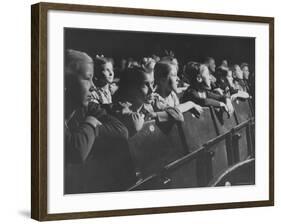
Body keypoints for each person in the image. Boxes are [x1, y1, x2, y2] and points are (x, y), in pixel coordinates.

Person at [64, 49, 136, 193]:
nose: (93, 86)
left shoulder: (87, 106)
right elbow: (77, 151)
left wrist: (92, 129)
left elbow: (122, 131)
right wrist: (91, 122)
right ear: (65, 82)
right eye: (87, 78)